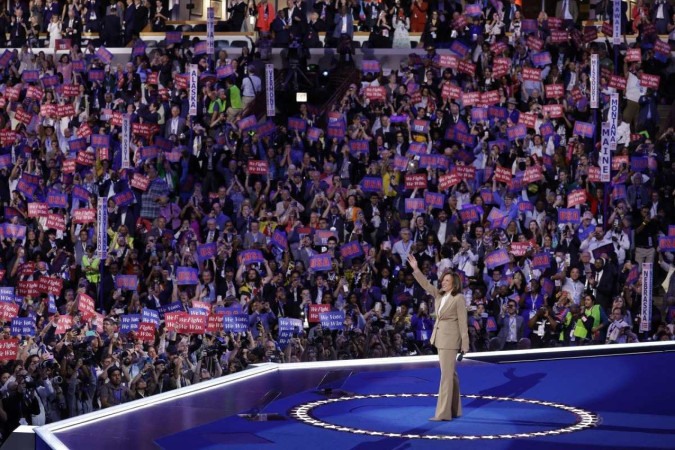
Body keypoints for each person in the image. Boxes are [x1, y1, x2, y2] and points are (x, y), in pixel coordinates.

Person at [408, 254, 469, 422]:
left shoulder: (459, 298)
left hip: (451, 341)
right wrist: (416, 269)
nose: (443, 282)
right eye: (443, 280)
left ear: (454, 283)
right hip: (440, 338)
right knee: (451, 374)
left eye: (447, 281)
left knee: (446, 376)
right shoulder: (440, 295)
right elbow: (426, 284)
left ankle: (443, 413)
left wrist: (465, 344)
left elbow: (463, 323)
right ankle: (455, 409)